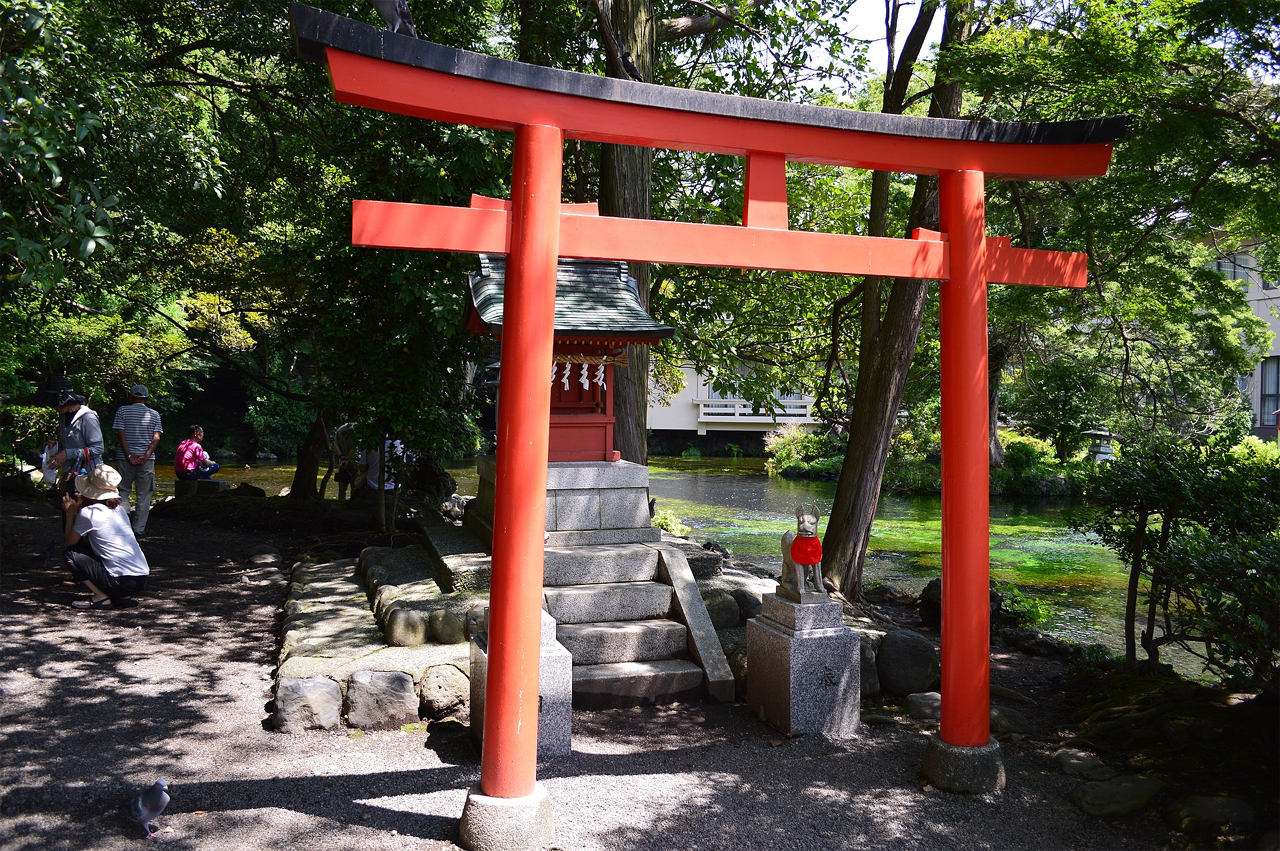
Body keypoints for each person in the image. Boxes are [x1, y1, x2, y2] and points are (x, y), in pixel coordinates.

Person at [61, 464, 149, 609]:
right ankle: (122, 596)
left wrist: (70, 514)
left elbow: (70, 542)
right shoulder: (120, 510)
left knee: (70, 554)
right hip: (141, 580)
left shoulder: (89, 513)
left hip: (121, 582)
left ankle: (100, 597)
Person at [112, 384, 163, 536]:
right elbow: (156, 437)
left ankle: (124, 526)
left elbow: (120, 434)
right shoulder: (154, 414)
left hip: (124, 458)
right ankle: (138, 529)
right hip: (146, 461)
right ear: (146, 398)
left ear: (130, 397)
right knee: (144, 495)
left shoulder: (122, 411)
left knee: (123, 491)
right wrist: (146, 455)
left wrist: (128, 455)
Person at [43, 377, 104, 497]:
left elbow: (98, 449)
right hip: (70, 474)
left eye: (55, 404)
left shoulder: (88, 417)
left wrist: (67, 453)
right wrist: (56, 446)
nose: (54, 408)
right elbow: (70, 444)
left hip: (88, 475)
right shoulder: (64, 416)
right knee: (66, 508)